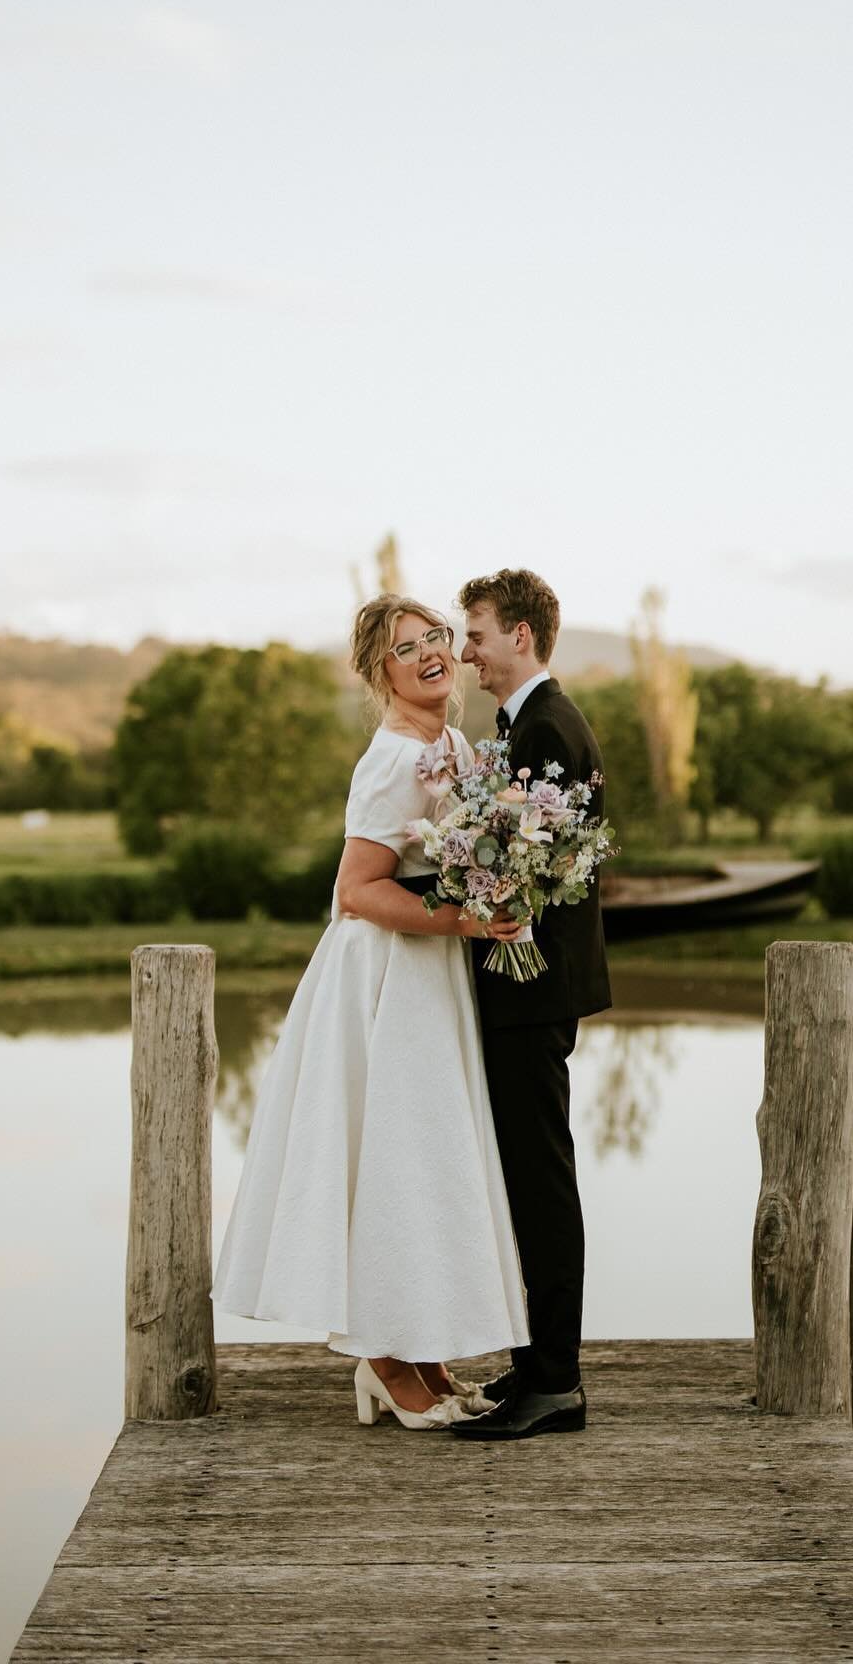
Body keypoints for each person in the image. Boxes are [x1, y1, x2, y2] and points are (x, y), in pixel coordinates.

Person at [210, 595, 529, 1430]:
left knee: (420, 1158)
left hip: (427, 976)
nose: (429, 654)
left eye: (435, 638)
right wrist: (465, 919)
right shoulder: (392, 759)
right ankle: (383, 1361)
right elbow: (356, 890)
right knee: (389, 1154)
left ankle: (419, 1350)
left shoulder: (453, 745)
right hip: (385, 978)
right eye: (405, 647)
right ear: (376, 672)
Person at [448, 568, 611, 1442]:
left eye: (474, 633)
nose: (464, 650)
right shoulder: (524, 726)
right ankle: (537, 1360)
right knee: (526, 1177)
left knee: (542, 1182)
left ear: (520, 635)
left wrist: (465, 879)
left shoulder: (547, 730)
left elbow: (534, 871)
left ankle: (558, 1380)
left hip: (531, 987)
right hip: (526, 986)